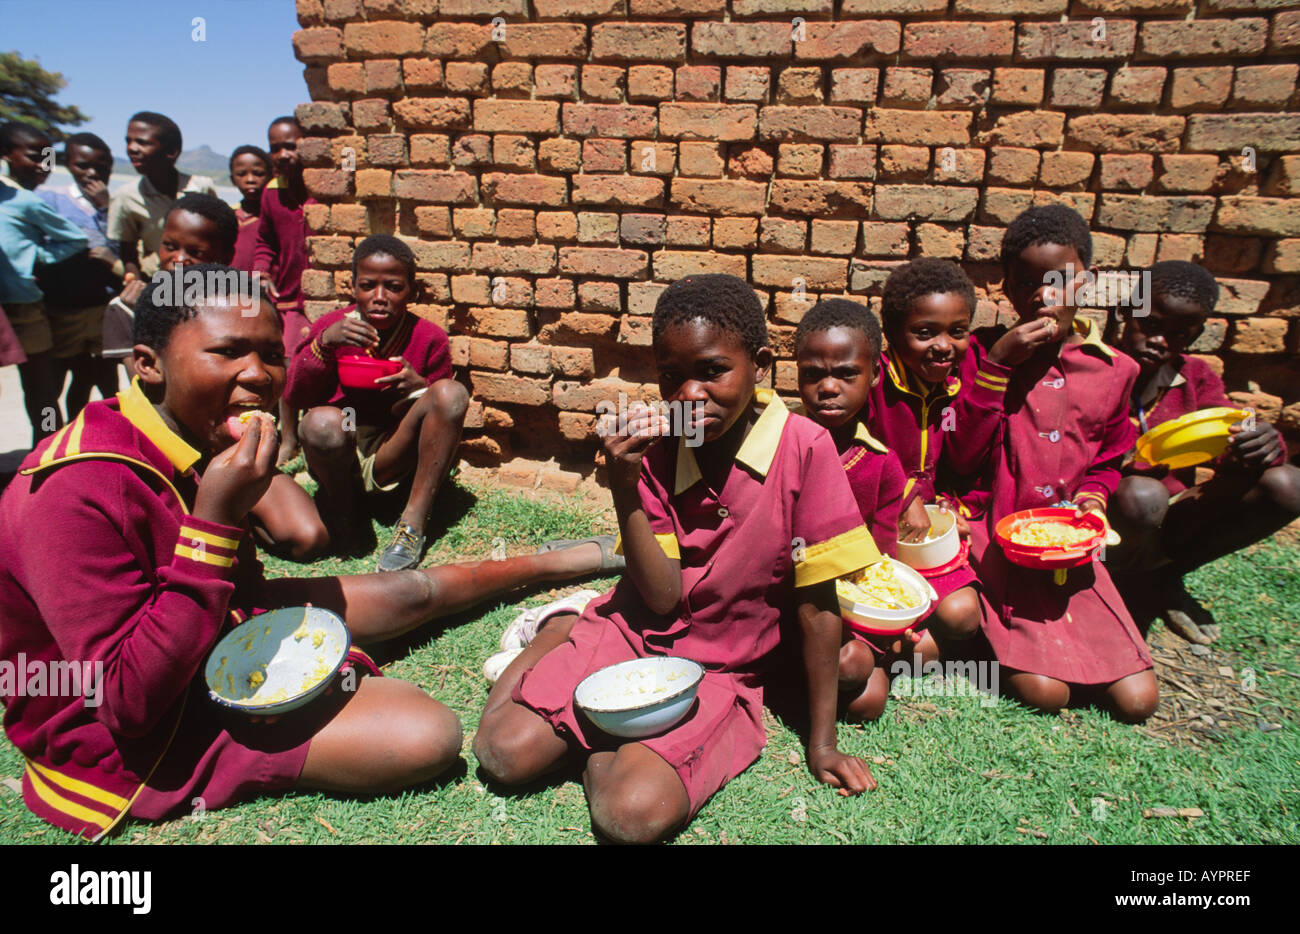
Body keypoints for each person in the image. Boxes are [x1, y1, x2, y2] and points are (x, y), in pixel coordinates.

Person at [0, 264, 619, 840]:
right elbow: (127, 702)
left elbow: (233, 587)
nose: (258, 376)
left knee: (412, 590)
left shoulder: (187, 434)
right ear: (148, 364)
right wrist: (216, 521)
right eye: (227, 351)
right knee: (426, 734)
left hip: (212, 628)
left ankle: (560, 562)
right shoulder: (76, 486)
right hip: (133, 733)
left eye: (270, 354)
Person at [473, 273, 879, 844]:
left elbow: (816, 602)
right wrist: (623, 480)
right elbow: (662, 597)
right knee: (503, 755)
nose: (689, 394)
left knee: (629, 816)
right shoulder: (658, 446)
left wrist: (821, 744)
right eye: (671, 377)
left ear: (760, 365)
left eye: (713, 371)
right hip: (635, 626)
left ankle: (598, 734)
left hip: (720, 664)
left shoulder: (804, 448)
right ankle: (560, 630)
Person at [966, 204, 1158, 723]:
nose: (1043, 295)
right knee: (1046, 695)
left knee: (1140, 702)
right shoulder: (983, 353)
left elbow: (1111, 456)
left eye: (1059, 280)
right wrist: (998, 366)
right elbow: (961, 451)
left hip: (1070, 549)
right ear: (1006, 288)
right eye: (1026, 282)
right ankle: (998, 642)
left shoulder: (1116, 370)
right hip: (999, 540)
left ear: (1086, 282)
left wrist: (1095, 496)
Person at [1107, 260, 1300, 644]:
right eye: (1152, 325)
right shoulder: (1095, 368)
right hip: (1111, 518)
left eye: (1179, 335)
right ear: (1125, 314)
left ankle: (1162, 580)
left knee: (1288, 485)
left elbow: (1230, 424)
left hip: (1170, 519)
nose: (1161, 341)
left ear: (1194, 338)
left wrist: (1260, 442)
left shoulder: (1194, 378)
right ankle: (1113, 589)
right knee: (1143, 494)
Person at [150, 191, 330, 560]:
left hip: (232, 447)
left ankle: (241, 506)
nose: (180, 261)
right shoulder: (145, 310)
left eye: (197, 253)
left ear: (225, 257)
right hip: (172, 453)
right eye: (170, 246)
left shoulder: (245, 306)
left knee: (308, 536)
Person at [286, 235, 468, 572]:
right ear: (352, 286)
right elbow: (294, 394)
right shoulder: (332, 328)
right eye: (368, 285)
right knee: (322, 422)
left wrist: (419, 389)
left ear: (413, 292)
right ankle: (346, 515)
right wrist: (324, 345)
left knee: (450, 392)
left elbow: (442, 417)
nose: (380, 298)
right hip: (339, 449)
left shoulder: (428, 337)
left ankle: (411, 524)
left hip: (392, 451)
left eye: (394, 287)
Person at [792, 297, 913, 720]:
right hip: (786, 599)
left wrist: (880, 630)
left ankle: (869, 656)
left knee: (863, 692)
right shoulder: (779, 446)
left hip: (849, 608)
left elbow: (881, 563)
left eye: (847, 374)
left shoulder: (880, 464)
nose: (828, 387)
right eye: (813, 375)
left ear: (875, 375)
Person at [0, 121, 90, 445]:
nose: (43, 166)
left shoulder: (25, 200)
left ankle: (47, 450)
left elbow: (76, 239)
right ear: (5, 154)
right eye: (35, 157)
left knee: (42, 388)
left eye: (48, 158)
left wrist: (34, 257)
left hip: (24, 307)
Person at [36, 132, 123, 417]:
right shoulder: (49, 200)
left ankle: (87, 440)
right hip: (62, 310)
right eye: (83, 165)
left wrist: (105, 207)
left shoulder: (114, 203)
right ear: (68, 164)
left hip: (102, 310)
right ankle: (49, 439)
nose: (92, 173)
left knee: (99, 379)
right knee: (53, 383)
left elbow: (119, 249)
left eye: (102, 166)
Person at [253, 116, 315, 465]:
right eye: (275, 147)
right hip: (288, 298)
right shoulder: (272, 193)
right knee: (288, 366)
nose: (283, 154)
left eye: (290, 145)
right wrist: (262, 271)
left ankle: (313, 436)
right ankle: (288, 437)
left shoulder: (323, 191)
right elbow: (265, 241)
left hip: (321, 297)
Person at [107, 112, 217, 279]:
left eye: (142, 142)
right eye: (128, 141)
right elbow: (127, 251)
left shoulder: (201, 187)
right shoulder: (125, 197)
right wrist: (135, 284)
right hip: (159, 280)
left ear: (172, 151)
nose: (131, 148)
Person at [228, 145, 272, 272]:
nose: (250, 180)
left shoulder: (272, 218)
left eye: (258, 174)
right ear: (232, 179)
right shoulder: (229, 216)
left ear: (270, 176)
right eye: (241, 174)